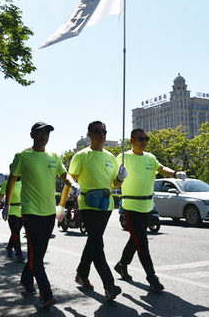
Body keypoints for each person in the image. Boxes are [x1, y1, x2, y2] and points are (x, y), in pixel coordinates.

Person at [3, 122, 77, 310]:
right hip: (31, 213)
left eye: (47, 133)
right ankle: (46, 294)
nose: (44, 136)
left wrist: (72, 182)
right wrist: (7, 203)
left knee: (38, 254)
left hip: (49, 213)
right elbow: (12, 179)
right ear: (32, 135)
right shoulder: (23, 156)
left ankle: (26, 280)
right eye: (41, 133)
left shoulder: (53, 156)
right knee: (37, 256)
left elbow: (63, 174)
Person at [58, 121, 125, 301]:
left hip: (106, 205)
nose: (101, 134)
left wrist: (120, 178)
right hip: (88, 204)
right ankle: (109, 285)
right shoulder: (81, 155)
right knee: (97, 244)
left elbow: (114, 184)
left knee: (93, 241)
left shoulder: (111, 157)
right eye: (97, 131)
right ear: (89, 134)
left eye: (104, 131)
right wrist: (73, 186)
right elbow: (70, 175)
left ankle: (81, 274)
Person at [113, 128, 186, 293]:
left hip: (148, 206)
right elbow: (114, 183)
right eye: (141, 139)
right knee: (142, 244)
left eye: (146, 138)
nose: (144, 141)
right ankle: (152, 278)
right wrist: (118, 177)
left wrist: (175, 173)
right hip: (131, 207)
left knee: (136, 239)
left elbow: (161, 168)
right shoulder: (123, 158)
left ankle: (122, 265)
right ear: (132, 140)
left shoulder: (150, 157)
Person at [0, 170, 25, 261]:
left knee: (15, 232)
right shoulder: (6, 183)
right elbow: (1, 195)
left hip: (22, 210)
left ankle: (9, 247)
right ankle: (19, 253)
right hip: (11, 210)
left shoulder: (24, 182)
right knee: (16, 232)